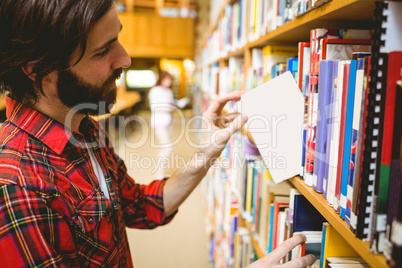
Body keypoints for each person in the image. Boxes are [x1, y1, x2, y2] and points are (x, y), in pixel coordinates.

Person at [0, 1, 316, 267]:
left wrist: (205, 153)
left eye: (117, 39)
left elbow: (139, 206)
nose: (125, 59)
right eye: (102, 51)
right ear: (37, 69)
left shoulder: (84, 128)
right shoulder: (16, 188)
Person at [148, 71, 175, 178]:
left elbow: (170, 103)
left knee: (164, 147)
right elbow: (154, 107)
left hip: (169, 121)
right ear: (161, 79)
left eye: (170, 79)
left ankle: (161, 172)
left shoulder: (168, 91)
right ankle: (159, 173)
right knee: (167, 148)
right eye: (166, 79)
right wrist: (169, 108)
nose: (169, 81)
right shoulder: (155, 91)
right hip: (159, 122)